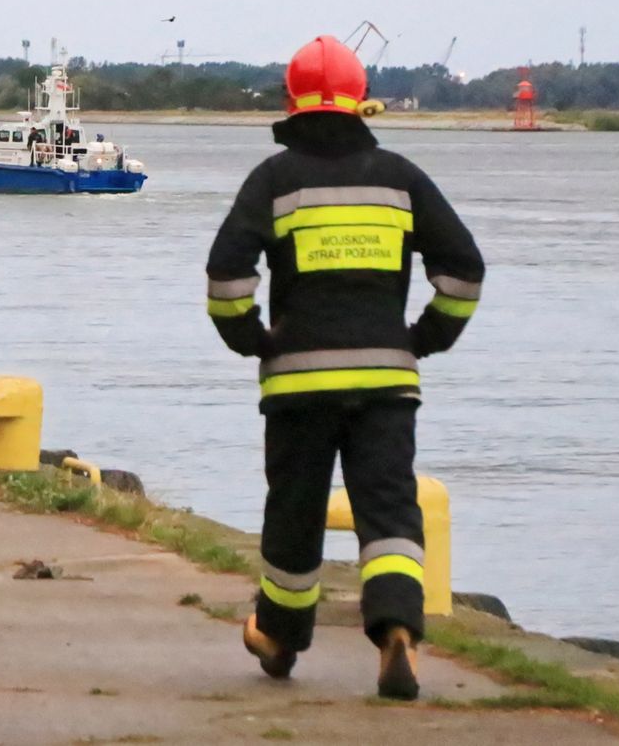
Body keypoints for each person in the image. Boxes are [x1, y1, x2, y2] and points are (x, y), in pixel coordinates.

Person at [205, 35, 484, 700]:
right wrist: (423, 336)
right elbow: (463, 271)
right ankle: (396, 631)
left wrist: (253, 339)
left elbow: (226, 277)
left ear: (289, 102)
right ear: (363, 104)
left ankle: (278, 634)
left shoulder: (273, 180)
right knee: (389, 511)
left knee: (295, 513)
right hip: (387, 382)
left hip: (298, 384)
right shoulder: (402, 178)